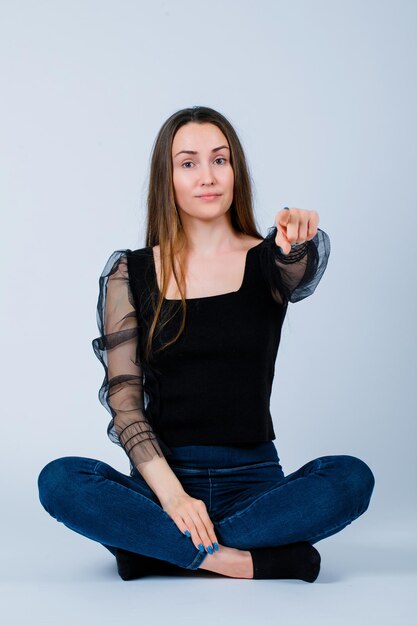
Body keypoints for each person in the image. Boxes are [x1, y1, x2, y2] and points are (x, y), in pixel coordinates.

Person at [37, 106, 375, 582]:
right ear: (167, 178)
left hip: (255, 485)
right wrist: (173, 498)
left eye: (220, 159)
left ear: (235, 170)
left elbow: (298, 269)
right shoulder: (129, 273)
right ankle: (244, 560)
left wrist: (296, 244)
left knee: (351, 477)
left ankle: (154, 551)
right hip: (161, 486)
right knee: (60, 479)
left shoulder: (268, 260)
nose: (208, 176)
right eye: (188, 163)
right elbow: (126, 404)